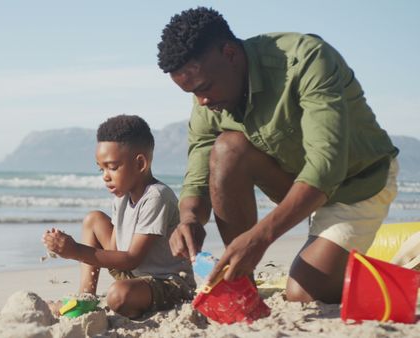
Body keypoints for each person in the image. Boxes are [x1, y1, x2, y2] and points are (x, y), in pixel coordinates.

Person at [156, 7, 398, 304]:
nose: (201, 101)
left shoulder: (306, 59)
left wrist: (260, 236)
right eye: (191, 93)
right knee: (226, 149)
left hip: (356, 183)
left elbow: (326, 168)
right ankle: (243, 283)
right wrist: (190, 219)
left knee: (303, 293)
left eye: (204, 88)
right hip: (297, 186)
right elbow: (197, 174)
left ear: (230, 53)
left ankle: (398, 280)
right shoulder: (210, 97)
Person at [42, 114, 194, 319]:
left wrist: (74, 250)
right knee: (93, 219)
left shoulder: (157, 196)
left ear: (140, 164)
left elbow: (131, 259)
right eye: (101, 168)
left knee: (118, 295)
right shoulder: (122, 197)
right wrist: (70, 247)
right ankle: (86, 298)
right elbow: (114, 250)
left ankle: (127, 306)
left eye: (112, 167)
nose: (105, 176)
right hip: (135, 275)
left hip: (167, 282)